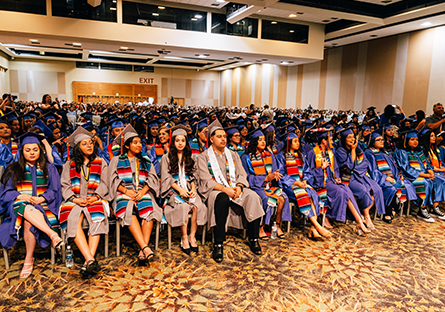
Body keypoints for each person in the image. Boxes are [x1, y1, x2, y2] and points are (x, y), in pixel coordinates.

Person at [197, 119, 264, 263]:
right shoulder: (203, 157)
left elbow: (241, 174)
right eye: (219, 137)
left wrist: (239, 187)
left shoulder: (233, 155)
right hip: (214, 190)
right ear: (211, 139)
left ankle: (254, 239)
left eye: (224, 137)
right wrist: (225, 189)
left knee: (252, 196)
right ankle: (218, 244)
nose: (223, 139)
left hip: (234, 187)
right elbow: (205, 180)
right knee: (221, 198)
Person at [0, 132, 63, 278]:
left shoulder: (49, 168)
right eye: (27, 150)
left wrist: (42, 198)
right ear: (22, 151)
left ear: (40, 150)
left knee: (28, 219)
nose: (32, 153)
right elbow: (5, 193)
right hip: (18, 206)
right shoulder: (13, 169)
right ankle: (52, 234)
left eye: (35, 149)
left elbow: (55, 190)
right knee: (23, 207)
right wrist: (18, 195)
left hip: (42, 206)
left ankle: (28, 259)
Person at [59, 127, 110, 276]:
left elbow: (105, 183)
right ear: (77, 147)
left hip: (94, 198)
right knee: (73, 216)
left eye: (91, 143)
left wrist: (96, 196)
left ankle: (88, 261)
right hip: (74, 199)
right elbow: (65, 185)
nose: (89, 146)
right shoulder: (69, 164)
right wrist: (75, 199)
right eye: (84, 144)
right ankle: (90, 259)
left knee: (97, 214)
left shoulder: (101, 162)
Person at [108, 125, 162, 265]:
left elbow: (152, 178)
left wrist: (142, 191)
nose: (139, 145)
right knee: (128, 208)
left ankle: (141, 250)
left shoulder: (145, 160)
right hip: (123, 192)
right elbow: (112, 180)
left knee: (149, 210)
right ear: (126, 145)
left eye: (140, 142)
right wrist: (127, 191)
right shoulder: (117, 160)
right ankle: (145, 247)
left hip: (141, 191)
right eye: (135, 143)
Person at [305, 129, 370, 235]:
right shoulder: (312, 153)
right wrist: (321, 168)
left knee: (345, 188)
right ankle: (334, 217)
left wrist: (337, 177)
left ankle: (359, 221)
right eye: (329, 139)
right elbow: (308, 172)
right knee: (340, 191)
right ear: (323, 141)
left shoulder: (330, 153)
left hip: (330, 181)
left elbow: (335, 169)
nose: (332, 141)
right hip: (319, 182)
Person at [160, 125, 207, 255]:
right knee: (184, 207)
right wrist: (180, 190)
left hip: (187, 187)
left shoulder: (191, 158)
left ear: (186, 142)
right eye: (177, 140)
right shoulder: (166, 158)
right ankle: (184, 237)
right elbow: (166, 178)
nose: (180, 143)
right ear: (173, 142)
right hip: (173, 189)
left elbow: (193, 176)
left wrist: (193, 189)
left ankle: (192, 236)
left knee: (197, 205)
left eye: (183, 140)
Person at [276, 132, 332, 238]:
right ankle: (317, 226)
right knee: (303, 194)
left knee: (313, 194)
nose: (298, 143)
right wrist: (296, 182)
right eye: (295, 141)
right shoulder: (281, 157)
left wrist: (305, 180)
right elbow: (281, 175)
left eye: (298, 141)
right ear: (289, 143)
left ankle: (312, 229)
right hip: (289, 185)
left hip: (301, 183)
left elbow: (307, 171)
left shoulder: (300, 156)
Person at [241, 128, 291, 240]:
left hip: (269, 186)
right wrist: (264, 178)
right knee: (264, 197)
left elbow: (274, 170)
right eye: (260, 140)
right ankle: (260, 227)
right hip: (255, 186)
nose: (263, 142)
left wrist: (275, 175)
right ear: (254, 142)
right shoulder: (246, 158)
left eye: (264, 139)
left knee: (282, 198)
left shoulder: (268, 155)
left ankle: (277, 226)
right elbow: (246, 177)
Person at [335, 128, 386, 230]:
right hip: (348, 177)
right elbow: (349, 166)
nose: (352, 139)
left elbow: (365, 163)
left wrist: (357, 170)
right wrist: (353, 150)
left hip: (360, 175)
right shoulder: (340, 151)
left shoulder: (359, 149)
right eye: (349, 137)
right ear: (344, 139)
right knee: (363, 190)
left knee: (377, 189)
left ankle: (362, 214)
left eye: (353, 137)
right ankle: (366, 216)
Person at [394, 130, 445, 222]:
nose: (415, 141)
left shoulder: (419, 151)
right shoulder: (401, 152)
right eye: (412, 139)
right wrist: (425, 175)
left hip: (425, 173)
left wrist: (430, 171)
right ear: (406, 140)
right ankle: (422, 209)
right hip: (410, 175)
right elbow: (406, 168)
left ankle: (435, 207)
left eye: (416, 139)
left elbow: (428, 164)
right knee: (426, 183)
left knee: (440, 181)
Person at [364, 132, 416, 223]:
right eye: (378, 140)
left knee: (404, 184)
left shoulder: (385, 152)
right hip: (377, 178)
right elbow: (373, 170)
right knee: (390, 187)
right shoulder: (369, 153)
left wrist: (397, 176)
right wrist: (385, 178)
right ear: (372, 142)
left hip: (390, 177)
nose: (381, 141)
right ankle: (388, 212)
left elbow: (394, 167)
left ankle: (395, 208)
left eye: (382, 139)